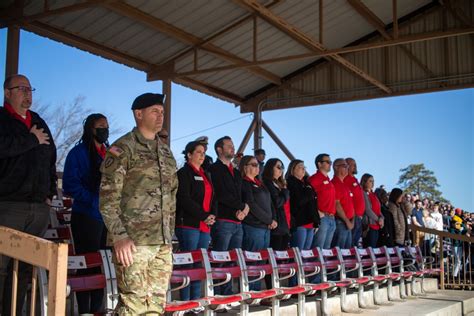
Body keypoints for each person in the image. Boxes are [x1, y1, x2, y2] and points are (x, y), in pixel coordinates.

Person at [100, 93, 178, 315]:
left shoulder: (165, 151)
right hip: (134, 242)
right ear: (138, 114)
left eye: (162, 112)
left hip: (162, 242)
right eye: (155, 111)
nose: (160, 116)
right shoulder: (122, 148)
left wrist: (169, 236)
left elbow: (172, 195)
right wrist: (120, 236)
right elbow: (108, 198)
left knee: (155, 306)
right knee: (133, 306)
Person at [0, 74, 57, 315]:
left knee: (24, 268)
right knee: (1, 267)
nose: (27, 93)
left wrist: (50, 193)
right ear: (7, 93)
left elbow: (51, 159)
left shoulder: (39, 121)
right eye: (21, 88)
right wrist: (31, 139)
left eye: (30, 89)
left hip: (38, 207)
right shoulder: (1, 119)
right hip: (8, 204)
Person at [63, 113, 109, 314]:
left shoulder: (109, 153)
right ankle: (83, 310)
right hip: (86, 215)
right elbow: (70, 184)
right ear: (91, 128)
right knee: (86, 263)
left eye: (107, 126)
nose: (105, 129)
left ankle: (98, 309)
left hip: (106, 218)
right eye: (101, 126)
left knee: (102, 265)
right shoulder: (78, 153)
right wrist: (93, 200)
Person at [175, 141, 216, 301]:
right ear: (189, 154)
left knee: (199, 265)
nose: (202, 155)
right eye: (198, 152)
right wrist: (203, 215)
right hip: (189, 224)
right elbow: (184, 198)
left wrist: (212, 214)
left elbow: (213, 198)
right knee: (188, 263)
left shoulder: (207, 174)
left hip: (205, 225)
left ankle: (196, 301)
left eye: (203, 153)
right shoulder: (183, 173)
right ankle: (185, 302)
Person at [209, 136, 249, 295]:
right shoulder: (214, 169)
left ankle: (228, 294)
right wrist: (240, 207)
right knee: (220, 259)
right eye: (229, 146)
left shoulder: (237, 172)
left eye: (233, 145)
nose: (233, 148)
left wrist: (245, 209)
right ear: (219, 149)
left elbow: (243, 193)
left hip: (238, 222)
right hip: (223, 220)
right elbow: (220, 194)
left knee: (233, 261)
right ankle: (218, 295)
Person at [239, 155, 274, 290]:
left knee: (261, 262)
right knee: (252, 261)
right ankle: (251, 291)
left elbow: (270, 204)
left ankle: (257, 291)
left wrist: (272, 219)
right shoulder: (245, 183)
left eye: (258, 164)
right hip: (253, 226)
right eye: (253, 164)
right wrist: (268, 220)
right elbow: (251, 204)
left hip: (265, 227)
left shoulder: (261, 184)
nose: (257, 167)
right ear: (245, 167)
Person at [286, 159, 319, 251]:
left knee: (306, 253)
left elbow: (313, 203)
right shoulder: (290, 183)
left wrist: (316, 222)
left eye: (304, 167)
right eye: (300, 167)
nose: (303, 169)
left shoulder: (307, 184)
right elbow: (298, 201)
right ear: (292, 169)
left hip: (310, 223)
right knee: (297, 252)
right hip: (299, 223)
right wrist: (308, 192)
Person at [309, 154, 336, 250]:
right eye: (327, 162)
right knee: (318, 249)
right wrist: (317, 212)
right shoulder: (315, 179)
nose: (330, 164)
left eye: (330, 162)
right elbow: (309, 197)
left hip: (331, 218)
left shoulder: (328, 180)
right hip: (322, 218)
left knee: (326, 250)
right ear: (319, 164)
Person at [262, 158, 290, 251]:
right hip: (275, 225)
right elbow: (277, 202)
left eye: (282, 167)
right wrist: (285, 192)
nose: (281, 169)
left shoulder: (278, 184)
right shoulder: (267, 183)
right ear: (270, 168)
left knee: (283, 255)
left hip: (283, 225)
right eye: (278, 167)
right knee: (275, 255)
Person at [331, 158, 355, 249]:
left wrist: (352, 220)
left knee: (347, 252)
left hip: (348, 223)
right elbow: (336, 204)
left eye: (347, 166)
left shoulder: (344, 184)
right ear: (336, 168)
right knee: (339, 253)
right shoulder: (334, 183)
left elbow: (351, 205)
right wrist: (347, 221)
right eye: (344, 166)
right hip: (341, 223)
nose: (347, 168)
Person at [344, 158, 365, 247]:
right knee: (350, 244)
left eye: (355, 164)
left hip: (359, 217)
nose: (355, 166)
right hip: (352, 217)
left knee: (355, 243)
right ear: (347, 166)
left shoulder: (355, 180)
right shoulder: (346, 179)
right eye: (353, 164)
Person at [360, 174, 384, 248]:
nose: (372, 183)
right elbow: (367, 210)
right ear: (364, 182)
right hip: (369, 226)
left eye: (373, 181)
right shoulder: (363, 193)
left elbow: (379, 209)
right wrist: (378, 219)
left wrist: (382, 218)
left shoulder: (373, 194)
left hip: (377, 225)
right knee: (370, 249)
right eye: (370, 181)